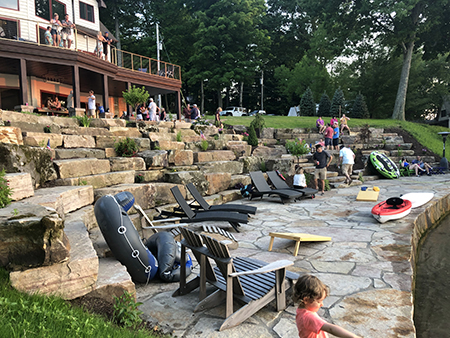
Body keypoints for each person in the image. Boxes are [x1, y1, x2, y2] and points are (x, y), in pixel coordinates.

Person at [293, 274, 360, 338]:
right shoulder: (308, 317)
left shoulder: (301, 310)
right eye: (319, 301)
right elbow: (330, 328)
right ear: (306, 300)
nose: (322, 304)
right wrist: (354, 337)